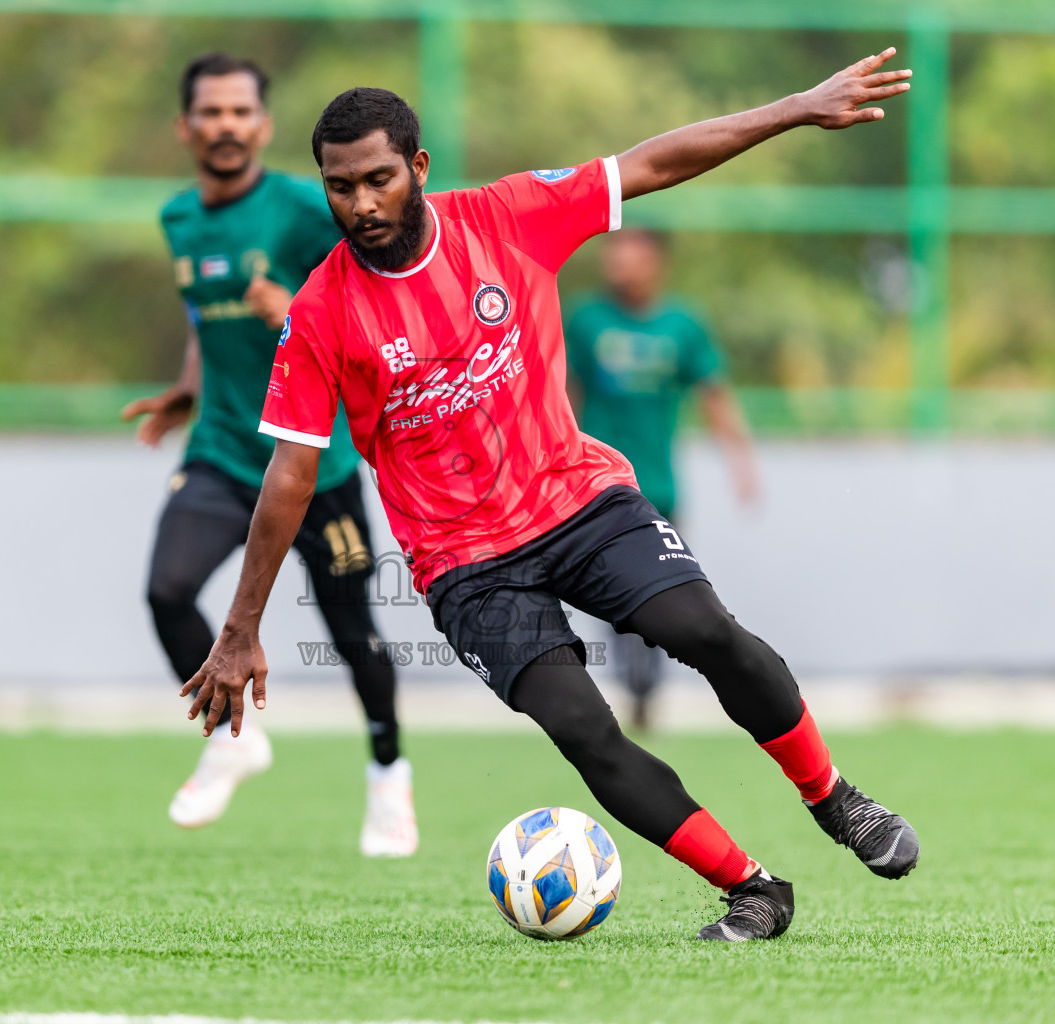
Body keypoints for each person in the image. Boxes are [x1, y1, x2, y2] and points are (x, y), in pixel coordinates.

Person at [186, 49, 920, 942]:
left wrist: (799, 107)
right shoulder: (322, 312)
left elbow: (653, 161)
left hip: (577, 502)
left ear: (416, 168)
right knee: (582, 728)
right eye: (341, 188)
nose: (363, 205)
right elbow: (291, 475)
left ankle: (833, 798)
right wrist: (240, 627)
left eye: (379, 179)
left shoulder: (508, 216)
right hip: (464, 565)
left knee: (704, 633)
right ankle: (754, 889)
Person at [120, 53, 414, 854]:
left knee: (353, 630)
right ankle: (233, 740)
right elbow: (201, 318)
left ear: (263, 126)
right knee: (166, 588)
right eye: (210, 113)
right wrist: (189, 385)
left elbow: (379, 293)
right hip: (222, 446)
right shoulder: (180, 218)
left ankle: (389, 774)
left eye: (240, 112)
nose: (225, 126)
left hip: (321, 459)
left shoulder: (301, 208)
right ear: (186, 128)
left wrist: (292, 312)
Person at [566, 228, 759, 730]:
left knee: (663, 590)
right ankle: (632, 677)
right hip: (596, 484)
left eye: (630, 256)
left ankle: (646, 677)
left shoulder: (682, 325)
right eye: (613, 256)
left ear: (655, 262)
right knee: (609, 589)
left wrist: (741, 465)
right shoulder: (586, 321)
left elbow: (713, 393)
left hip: (659, 485)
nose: (618, 265)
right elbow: (566, 395)